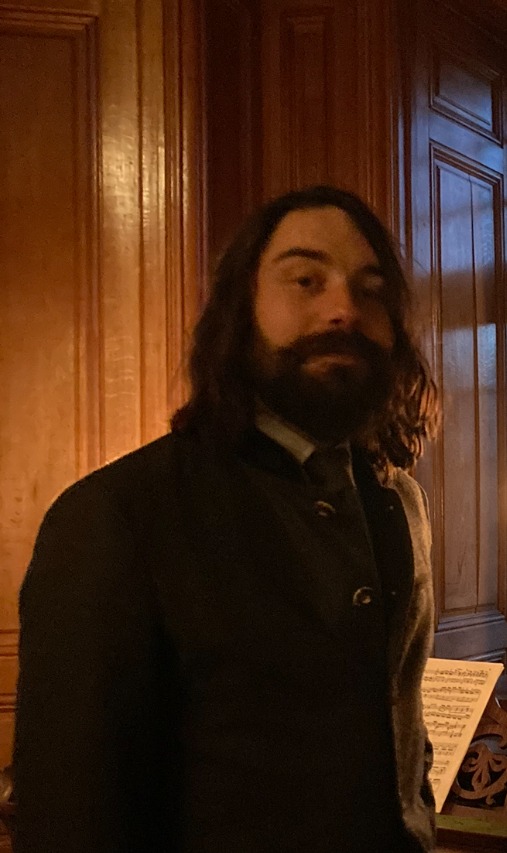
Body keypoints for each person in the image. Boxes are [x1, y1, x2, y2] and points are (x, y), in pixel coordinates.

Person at [13, 185, 439, 853]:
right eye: (305, 280)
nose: (344, 310)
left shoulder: (400, 501)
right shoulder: (116, 515)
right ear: (239, 309)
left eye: (371, 289)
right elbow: (70, 816)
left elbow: (397, 739)